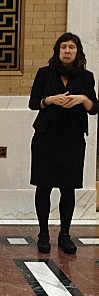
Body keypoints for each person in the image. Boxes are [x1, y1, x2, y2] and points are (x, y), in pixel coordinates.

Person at [29, 32, 99, 254]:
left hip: (73, 139)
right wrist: (49, 100)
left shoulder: (86, 77)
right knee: (44, 186)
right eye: (63, 47)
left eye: (71, 47)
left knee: (68, 188)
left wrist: (83, 99)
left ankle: (65, 234)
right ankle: (43, 234)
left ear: (77, 51)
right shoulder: (44, 74)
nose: (67, 51)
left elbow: (95, 107)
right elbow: (33, 103)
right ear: (57, 51)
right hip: (46, 137)